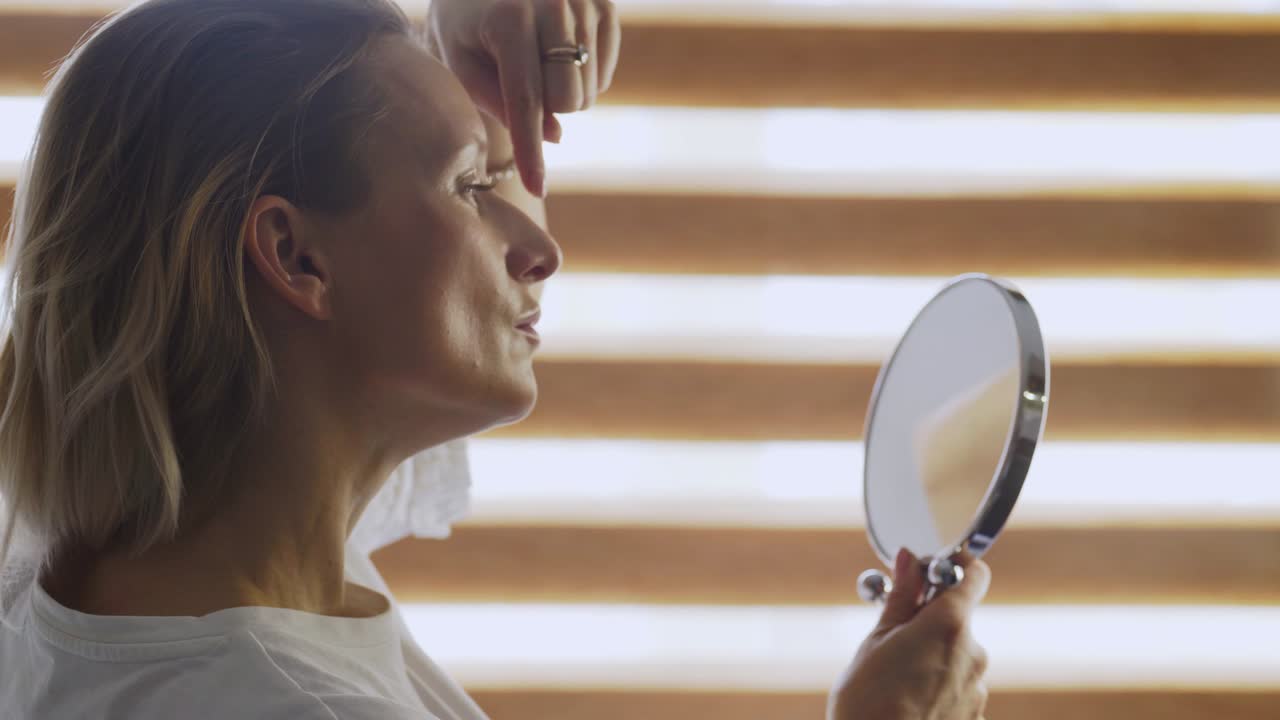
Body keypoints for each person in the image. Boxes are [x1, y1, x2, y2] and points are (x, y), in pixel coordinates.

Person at [0, 0, 991, 718]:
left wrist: (448, 65)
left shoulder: (93, 566)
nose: (542, 249)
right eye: (474, 185)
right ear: (296, 258)